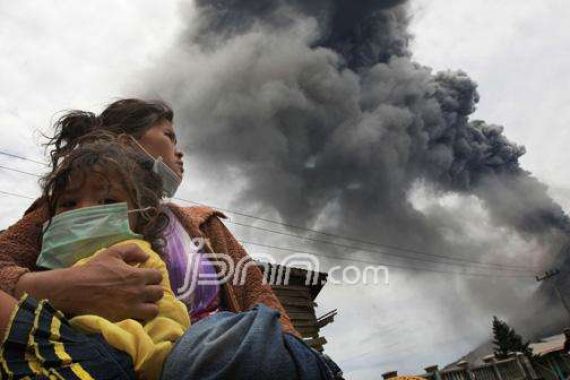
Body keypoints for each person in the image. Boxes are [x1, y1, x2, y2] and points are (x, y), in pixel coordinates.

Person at [0, 98, 298, 337]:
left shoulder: (204, 224)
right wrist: (60, 288)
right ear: (126, 142)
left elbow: (260, 298)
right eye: (169, 136)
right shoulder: (65, 210)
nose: (179, 153)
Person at [0, 134, 190, 379]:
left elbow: (168, 319)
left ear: (143, 215)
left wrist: (149, 362)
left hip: (118, 360)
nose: (85, 210)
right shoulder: (45, 264)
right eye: (68, 203)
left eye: (108, 201)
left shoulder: (136, 257)